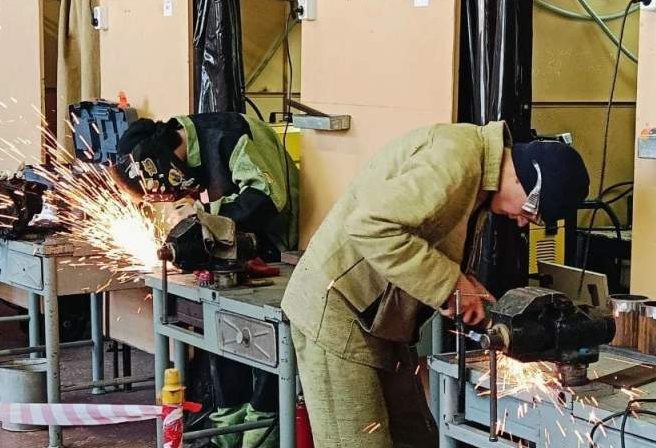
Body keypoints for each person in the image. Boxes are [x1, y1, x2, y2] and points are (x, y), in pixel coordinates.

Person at [281, 121, 589, 448]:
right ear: (525, 180)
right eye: (531, 212)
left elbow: (421, 234)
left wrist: (466, 285)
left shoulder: (478, 177)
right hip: (336, 313)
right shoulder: (455, 162)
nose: (523, 222)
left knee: (416, 439)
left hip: (377, 321)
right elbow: (370, 226)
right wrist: (450, 283)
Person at [114, 112, 299, 448]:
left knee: (263, 351)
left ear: (163, 158)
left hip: (272, 255)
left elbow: (268, 198)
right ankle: (227, 435)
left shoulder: (231, 134)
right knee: (223, 346)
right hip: (230, 261)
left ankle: (260, 436)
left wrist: (206, 215)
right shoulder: (188, 156)